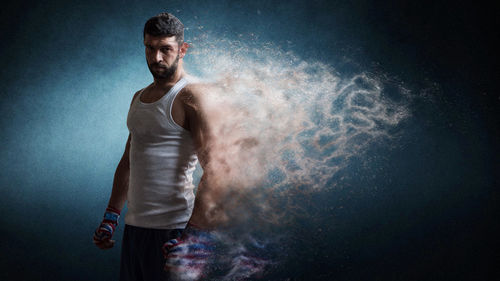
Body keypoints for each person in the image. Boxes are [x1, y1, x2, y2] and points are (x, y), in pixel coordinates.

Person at [93, 12, 229, 281]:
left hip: (174, 232)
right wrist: (111, 216)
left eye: (165, 49)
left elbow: (218, 170)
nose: (156, 58)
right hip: (135, 230)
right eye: (150, 48)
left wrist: (192, 239)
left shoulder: (193, 95)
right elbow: (129, 161)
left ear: (182, 49)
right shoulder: (138, 97)